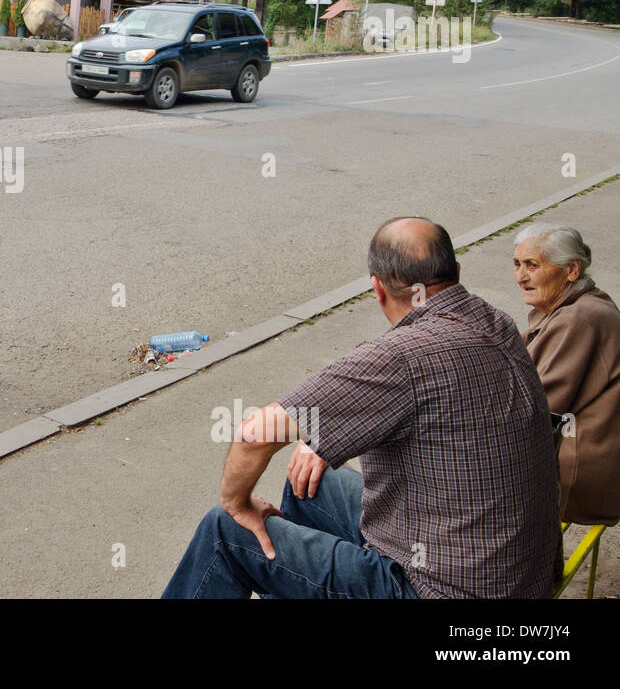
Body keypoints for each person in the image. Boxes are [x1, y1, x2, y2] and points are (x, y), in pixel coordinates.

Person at [162, 217, 561, 599]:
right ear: (455, 270)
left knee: (226, 530)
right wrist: (320, 438)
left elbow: (254, 435)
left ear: (378, 288)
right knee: (309, 483)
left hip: (437, 588)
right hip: (520, 574)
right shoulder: (497, 321)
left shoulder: (400, 359)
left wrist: (238, 504)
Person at [514, 223, 620, 526]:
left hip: (582, 477)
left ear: (572, 269)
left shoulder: (578, 318)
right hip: (593, 462)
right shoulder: (580, 305)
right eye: (517, 264)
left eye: (533, 265)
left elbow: (535, 409)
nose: (521, 276)